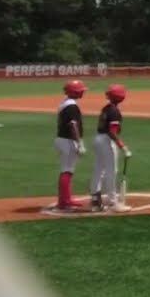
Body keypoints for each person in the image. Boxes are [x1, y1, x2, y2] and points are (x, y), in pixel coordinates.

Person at [90, 84, 133, 213]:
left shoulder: (106, 108)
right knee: (111, 171)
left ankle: (95, 201)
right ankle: (113, 202)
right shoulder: (114, 111)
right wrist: (122, 146)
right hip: (106, 141)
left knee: (99, 170)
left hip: (98, 139)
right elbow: (112, 132)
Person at [53, 80, 88, 211]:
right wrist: (79, 143)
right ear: (75, 92)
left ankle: (66, 199)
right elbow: (73, 125)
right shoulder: (72, 106)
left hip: (63, 140)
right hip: (68, 141)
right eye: (81, 90)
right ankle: (64, 202)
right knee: (67, 171)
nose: (83, 92)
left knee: (67, 170)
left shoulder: (65, 103)